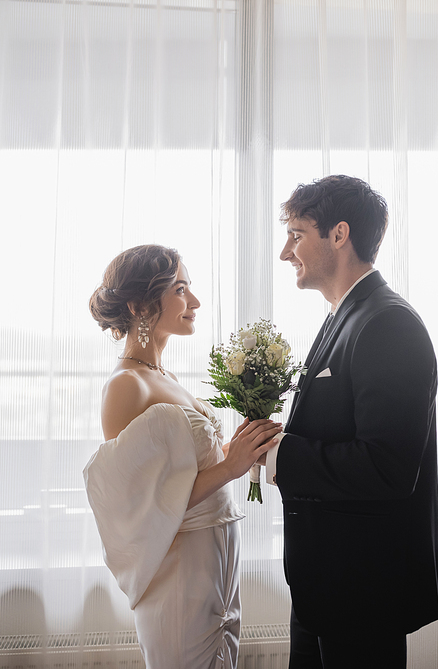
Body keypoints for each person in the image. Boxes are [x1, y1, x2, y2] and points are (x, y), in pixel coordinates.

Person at [264, 175, 438, 668]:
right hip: (326, 585)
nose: (286, 252)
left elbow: (387, 466)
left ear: (339, 234)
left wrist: (280, 453)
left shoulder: (388, 323)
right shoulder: (344, 315)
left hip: (362, 591)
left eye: (297, 234)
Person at [83, 244, 281, 669]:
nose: (194, 301)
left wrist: (244, 444)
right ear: (139, 304)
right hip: (179, 567)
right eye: (180, 289)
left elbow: (181, 472)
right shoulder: (126, 386)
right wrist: (230, 467)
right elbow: (135, 499)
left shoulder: (164, 376)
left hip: (216, 557)